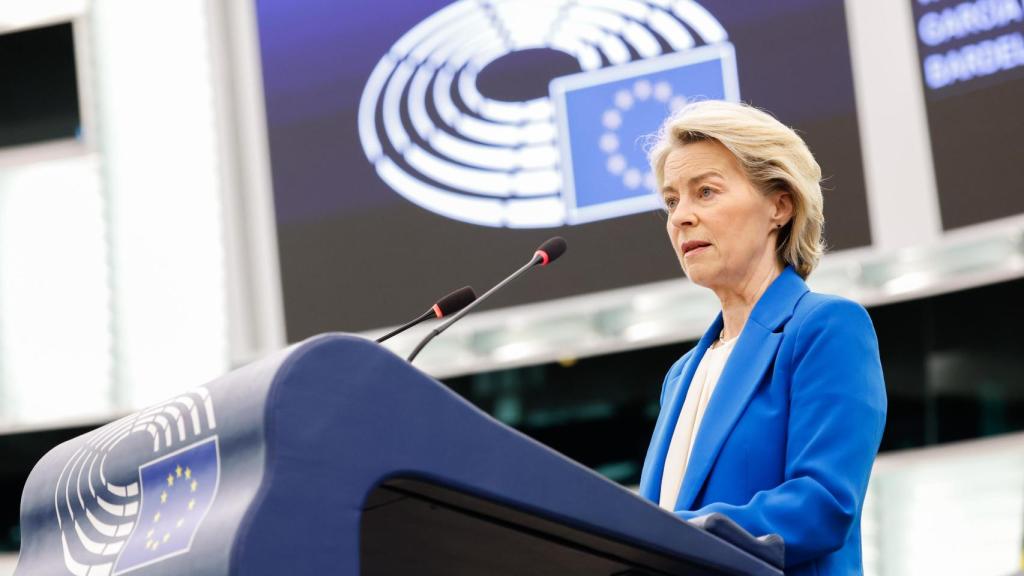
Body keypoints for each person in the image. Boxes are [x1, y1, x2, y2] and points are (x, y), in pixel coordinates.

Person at [638, 100, 887, 575]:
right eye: (672, 200)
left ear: (779, 204)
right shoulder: (680, 376)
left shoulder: (825, 328)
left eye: (705, 192)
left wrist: (662, 535)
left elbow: (822, 504)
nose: (680, 217)